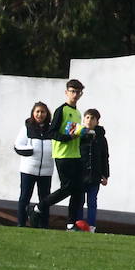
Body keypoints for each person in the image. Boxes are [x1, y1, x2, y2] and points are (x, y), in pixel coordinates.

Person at [35, 79, 86, 230]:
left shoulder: (77, 113)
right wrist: (68, 138)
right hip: (63, 155)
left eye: (78, 92)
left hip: (75, 155)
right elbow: (52, 132)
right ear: (66, 92)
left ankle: (71, 224)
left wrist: (83, 135)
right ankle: (39, 207)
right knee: (67, 188)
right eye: (72, 91)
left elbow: (74, 132)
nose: (75, 94)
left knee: (78, 190)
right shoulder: (61, 110)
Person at [14, 101, 53, 228]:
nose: (40, 114)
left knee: (45, 199)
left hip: (46, 171)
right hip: (28, 169)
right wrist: (30, 151)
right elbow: (18, 146)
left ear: (47, 114)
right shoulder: (27, 128)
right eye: (37, 111)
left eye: (43, 112)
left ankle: (44, 224)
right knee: (25, 197)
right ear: (33, 113)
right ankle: (21, 222)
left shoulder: (52, 129)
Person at [79, 108, 110, 232]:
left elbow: (105, 157)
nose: (89, 120)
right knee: (79, 201)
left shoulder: (101, 138)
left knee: (92, 202)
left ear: (97, 121)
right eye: (87, 117)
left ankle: (91, 226)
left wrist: (105, 175)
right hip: (80, 174)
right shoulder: (78, 135)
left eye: (92, 118)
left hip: (95, 175)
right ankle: (78, 223)